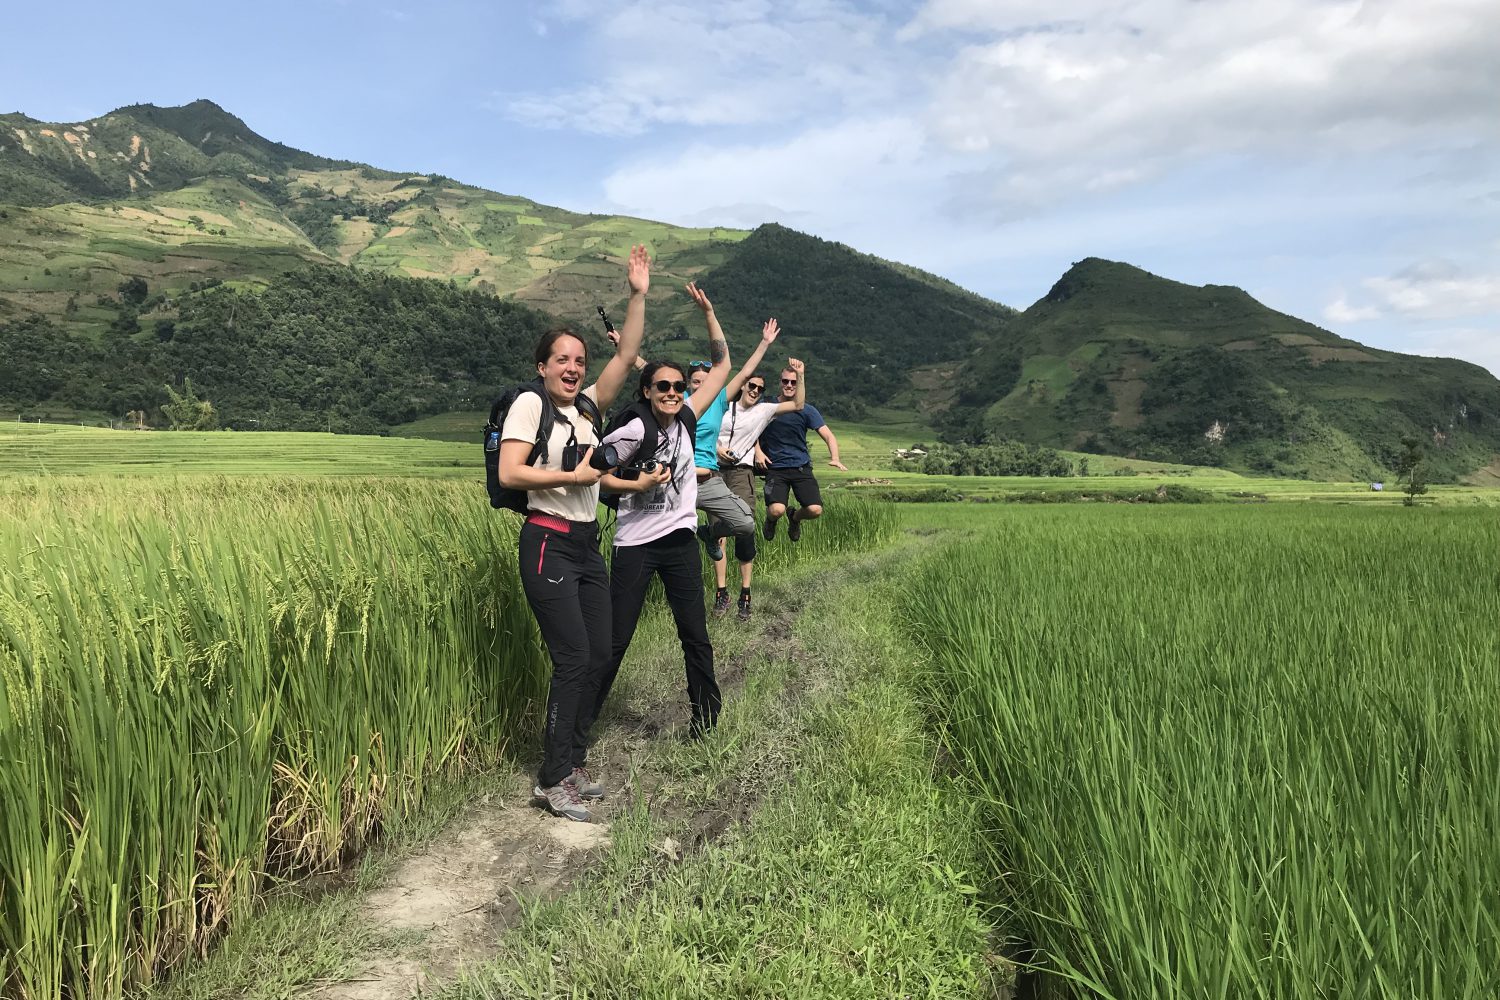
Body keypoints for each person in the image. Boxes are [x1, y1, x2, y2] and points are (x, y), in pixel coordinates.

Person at [498, 245, 650, 823]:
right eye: (561, 358)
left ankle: (575, 762)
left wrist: (636, 295)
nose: (572, 367)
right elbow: (513, 472)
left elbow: (629, 352)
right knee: (573, 658)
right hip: (547, 539)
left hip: (586, 543)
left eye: (579, 360)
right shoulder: (528, 407)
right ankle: (552, 778)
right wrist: (576, 473)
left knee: (600, 652)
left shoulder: (587, 411)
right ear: (542, 366)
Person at [586, 282, 733, 738]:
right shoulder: (632, 427)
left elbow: (724, 364)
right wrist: (640, 481)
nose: (672, 393)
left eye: (676, 387)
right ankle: (579, 727)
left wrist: (708, 312)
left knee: (695, 635)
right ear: (648, 391)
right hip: (635, 545)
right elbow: (594, 474)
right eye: (662, 387)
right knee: (615, 640)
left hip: (680, 543)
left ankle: (706, 724)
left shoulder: (687, 418)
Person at [710, 358, 806, 619]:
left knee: (745, 528)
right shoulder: (722, 406)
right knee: (718, 536)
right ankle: (721, 593)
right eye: (751, 385)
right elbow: (704, 432)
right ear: (742, 385)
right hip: (715, 471)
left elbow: (798, 404)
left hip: (742, 472)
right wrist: (718, 449)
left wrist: (800, 375)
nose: (755, 390)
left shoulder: (764, 410)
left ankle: (745, 593)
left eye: (760, 388)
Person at [688, 317, 787, 563]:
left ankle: (709, 533)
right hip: (681, 480)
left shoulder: (719, 401)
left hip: (709, 479)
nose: (701, 385)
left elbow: (743, 373)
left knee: (745, 523)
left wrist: (764, 343)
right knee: (674, 535)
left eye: (705, 381)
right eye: (695, 381)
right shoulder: (678, 402)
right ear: (687, 385)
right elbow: (649, 372)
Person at [757, 365, 847, 542]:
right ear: (780, 382)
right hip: (775, 467)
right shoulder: (767, 406)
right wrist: (758, 452)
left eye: (794, 382)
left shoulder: (807, 410)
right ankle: (770, 520)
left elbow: (828, 435)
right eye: (785, 381)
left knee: (815, 510)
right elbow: (750, 429)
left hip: (800, 467)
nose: (789, 385)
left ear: (799, 384)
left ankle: (795, 517)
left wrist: (835, 458)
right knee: (776, 510)